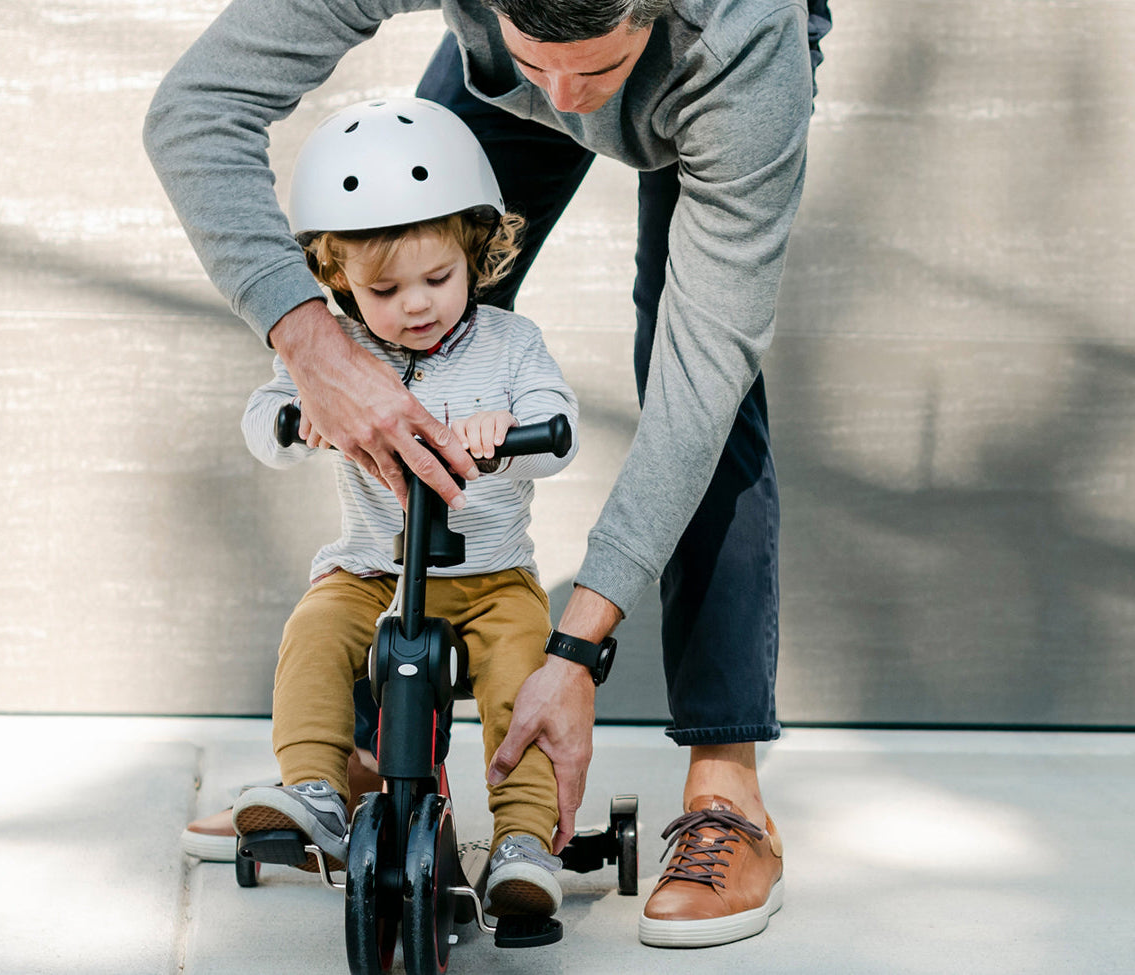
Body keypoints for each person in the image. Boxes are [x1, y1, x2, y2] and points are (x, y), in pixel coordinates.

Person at [146, 0, 830, 949]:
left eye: (594, 71)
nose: (564, 106)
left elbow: (695, 386)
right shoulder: (528, 62)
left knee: (700, 389)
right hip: (534, 47)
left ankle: (728, 791)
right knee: (415, 275)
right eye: (536, 64)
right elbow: (195, 107)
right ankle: (351, 764)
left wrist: (579, 648)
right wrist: (314, 348)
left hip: (704, 82)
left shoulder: (740, 43)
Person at [225, 97, 582, 919]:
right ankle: (314, 785)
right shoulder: (337, 353)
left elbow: (559, 435)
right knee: (313, 630)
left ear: (476, 250)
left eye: (437, 278)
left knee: (520, 674)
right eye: (383, 288)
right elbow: (261, 422)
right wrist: (298, 416)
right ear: (334, 277)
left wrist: (510, 424)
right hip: (369, 571)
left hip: (491, 579)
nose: (415, 304)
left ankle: (523, 841)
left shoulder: (508, 343)